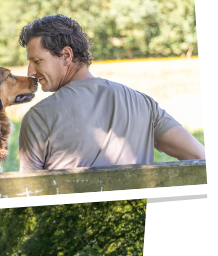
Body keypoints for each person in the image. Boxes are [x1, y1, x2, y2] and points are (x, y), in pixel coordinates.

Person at [17, 15, 205, 171]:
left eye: (37, 61)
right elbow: (200, 156)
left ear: (66, 56)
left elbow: (29, 194)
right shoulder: (144, 104)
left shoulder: (37, 117)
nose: (30, 73)